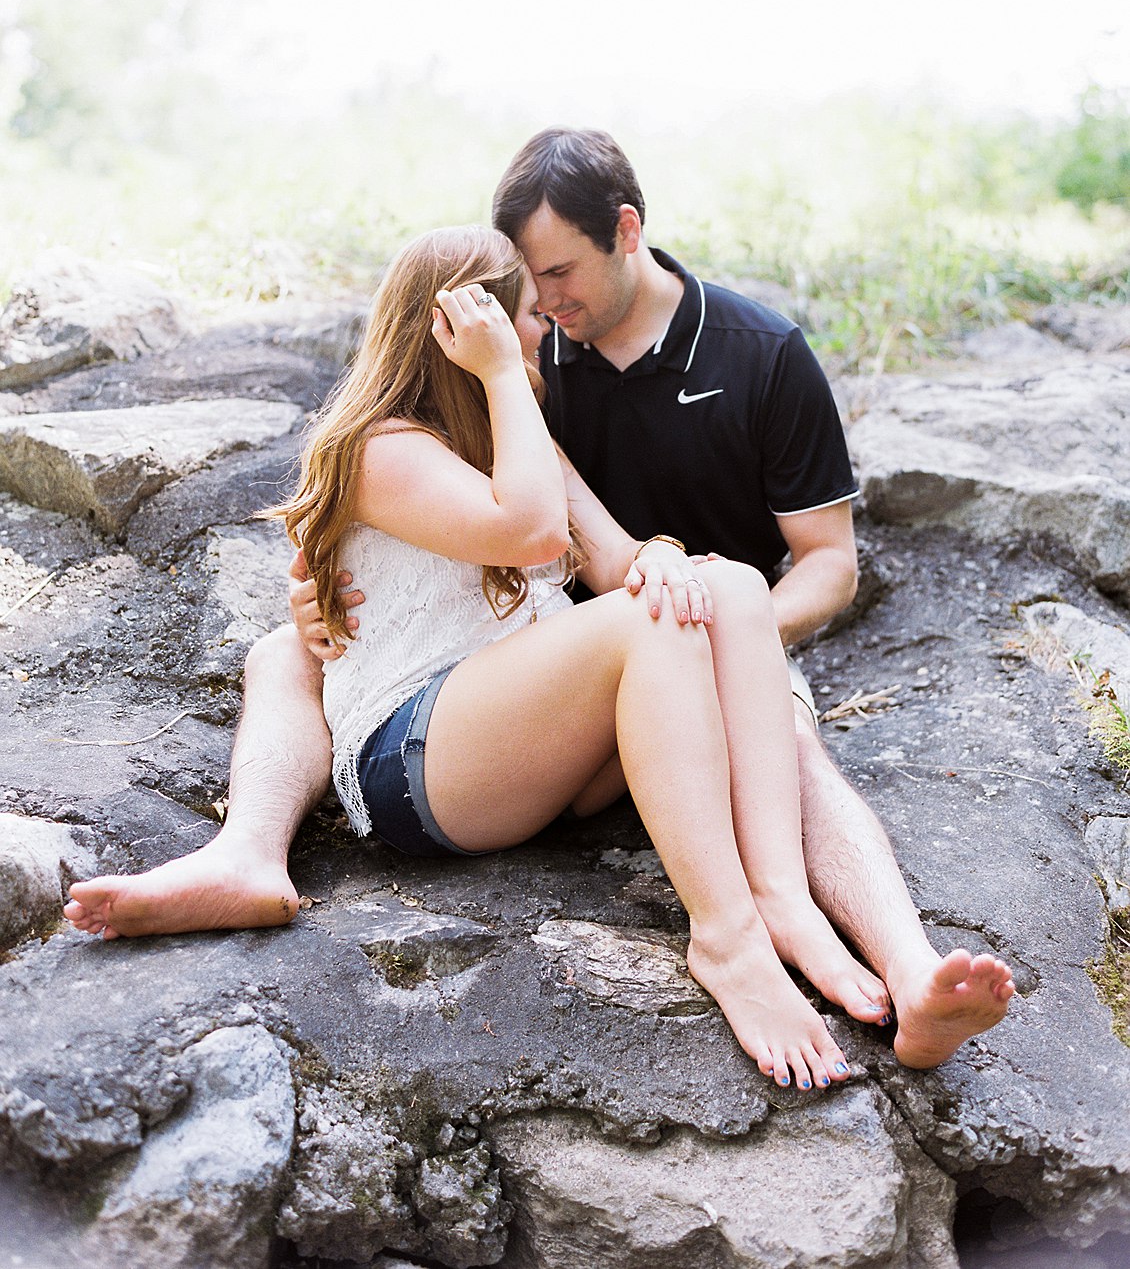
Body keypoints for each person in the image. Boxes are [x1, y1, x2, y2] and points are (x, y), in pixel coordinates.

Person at [65, 157, 1016, 1073]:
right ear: (459, 335)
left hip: (531, 747)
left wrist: (675, 565)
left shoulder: (572, 415)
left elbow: (613, 557)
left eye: (542, 303)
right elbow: (524, 531)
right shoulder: (386, 447)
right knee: (646, 619)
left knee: (721, 587)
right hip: (421, 759)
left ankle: (785, 902)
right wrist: (503, 380)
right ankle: (726, 938)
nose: (542, 332)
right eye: (525, 316)